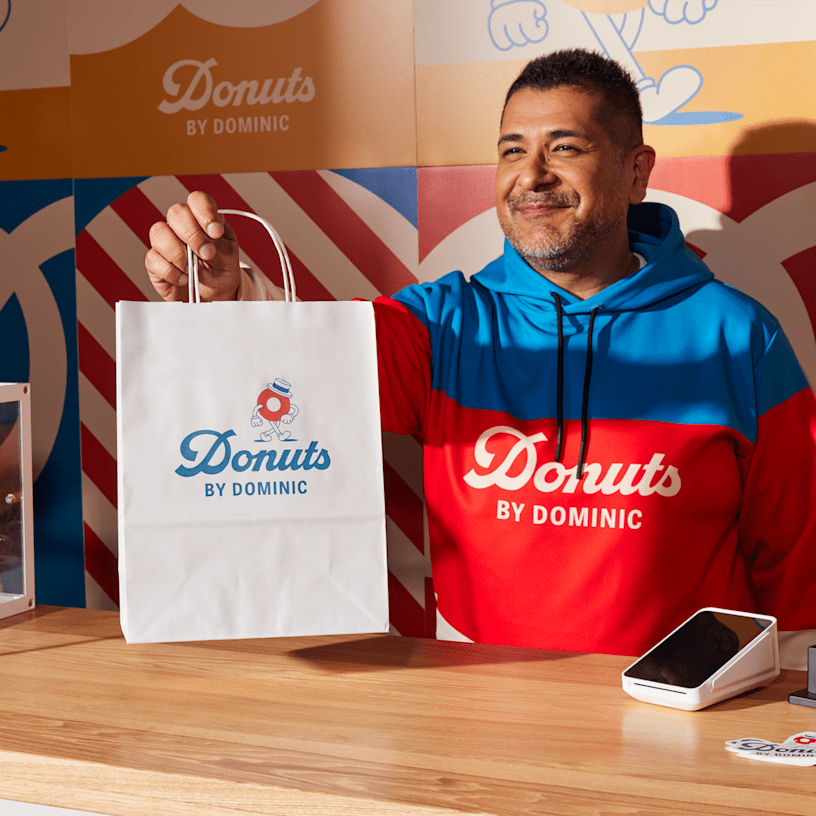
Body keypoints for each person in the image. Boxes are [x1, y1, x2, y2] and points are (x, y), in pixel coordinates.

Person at [146, 49, 816, 668]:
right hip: (473, 717)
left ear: (635, 171)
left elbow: (797, 559)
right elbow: (309, 367)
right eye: (512, 151)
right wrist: (230, 292)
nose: (532, 175)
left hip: (673, 720)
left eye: (566, 147)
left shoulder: (738, 336)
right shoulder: (445, 323)